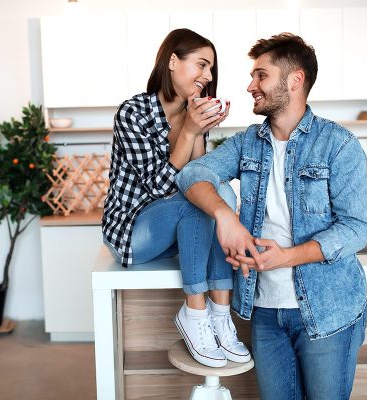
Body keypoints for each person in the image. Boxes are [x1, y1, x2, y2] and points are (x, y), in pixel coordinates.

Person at [176, 33, 367, 398]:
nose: (251, 85)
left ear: (294, 80)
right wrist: (225, 217)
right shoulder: (248, 142)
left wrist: (287, 257)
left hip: (328, 311)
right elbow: (191, 174)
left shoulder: (338, 144)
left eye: (260, 75)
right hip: (264, 311)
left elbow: (357, 228)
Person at [102, 28, 250, 368]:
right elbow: (157, 186)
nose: (208, 76)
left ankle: (220, 314)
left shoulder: (192, 112)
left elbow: (196, 179)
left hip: (173, 232)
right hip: (132, 232)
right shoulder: (132, 113)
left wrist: (197, 127)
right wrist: (189, 129)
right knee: (199, 203)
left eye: (211, 69)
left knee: (216, 193)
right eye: (201, 64)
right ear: (172, 61)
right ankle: (194, 313)